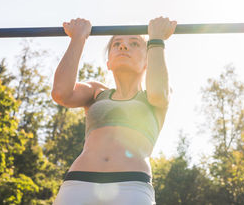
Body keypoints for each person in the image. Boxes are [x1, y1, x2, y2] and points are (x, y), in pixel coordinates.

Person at [51, 16, 176, 204]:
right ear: (108, 62)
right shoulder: (96, 92)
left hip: (132, 186)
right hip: (78, 183)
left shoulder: (154, 95)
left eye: (134, 44)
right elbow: (61, 92)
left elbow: (158, 93)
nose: (123, 47)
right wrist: (78, 38)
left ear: (147, 61)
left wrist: (157, 39)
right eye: (116, 44)